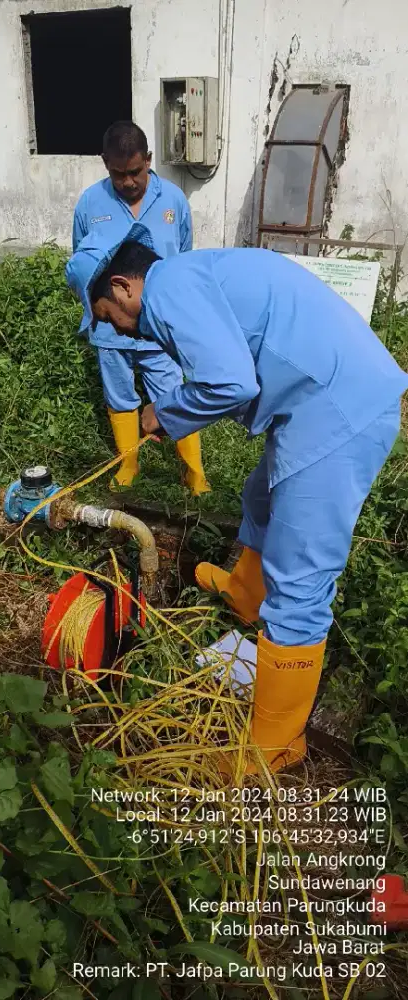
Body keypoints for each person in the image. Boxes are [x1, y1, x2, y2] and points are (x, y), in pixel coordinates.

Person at [65, 225, 408, 773]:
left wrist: (164, 413)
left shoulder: (170, 288)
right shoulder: (186, 277)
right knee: (260, 496)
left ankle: (273, 746)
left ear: (124, 285)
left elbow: (232, 384)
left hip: (339, 412)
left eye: (109, 314)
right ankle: (247, 591)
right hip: (316, 399)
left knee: (301, 578)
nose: (119, 331)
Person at [70, 121, 210, 495]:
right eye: (118, 174)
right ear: (105, 164)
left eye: (135, 171)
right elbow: (81, 266)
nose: (128, 181)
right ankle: (128, 466)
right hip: (110, 328)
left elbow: (182, 259)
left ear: (148, 160)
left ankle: (194, 474)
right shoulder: (90, 204)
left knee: (171, 392)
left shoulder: (174, 201)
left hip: (158, 327)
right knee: (119, 396)